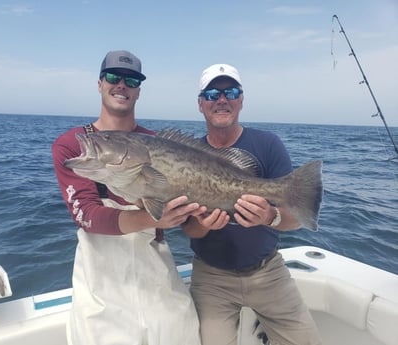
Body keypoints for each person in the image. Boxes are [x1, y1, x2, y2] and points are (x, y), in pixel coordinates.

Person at [52, 50, 203, 345]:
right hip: (102, 289)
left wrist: (204, 219)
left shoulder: (158, 142)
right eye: (113, 77)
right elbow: (87, 215)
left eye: (131, 80)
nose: (122, 85)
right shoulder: (72, 145)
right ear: (99, 84)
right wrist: (154, 216)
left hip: (159, 278)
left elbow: (190, 214)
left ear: (138, 91)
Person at [182, 63, 322, 345]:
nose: (221, 99)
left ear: (241, 101)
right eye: (212, 94)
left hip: (268, 272)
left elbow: (294, 218)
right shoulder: (185, 155)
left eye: (230, 92)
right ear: (200, 104)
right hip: (211, 279)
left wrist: (270, 216)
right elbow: (190, 230)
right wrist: (201, 224)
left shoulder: (268, 144)